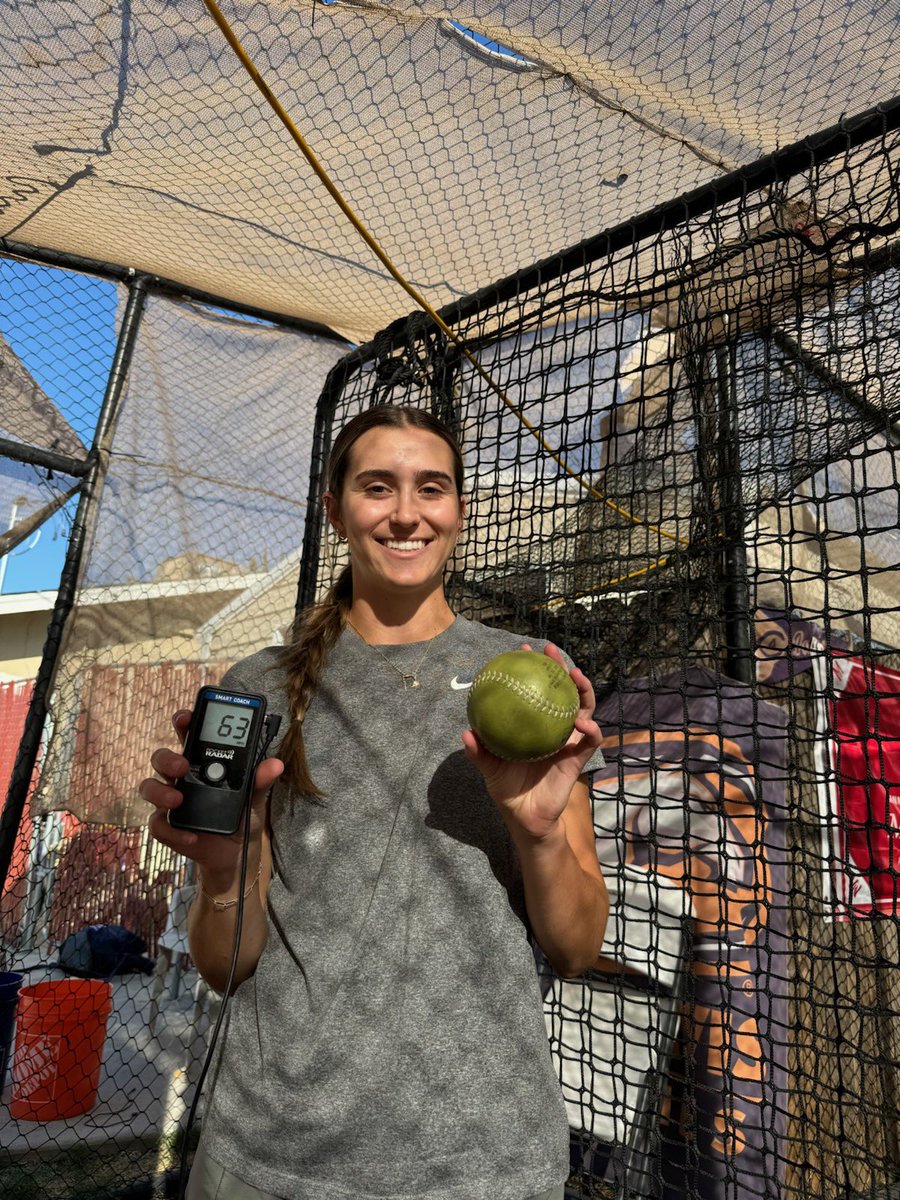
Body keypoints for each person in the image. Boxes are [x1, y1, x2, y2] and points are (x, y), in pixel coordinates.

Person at [141, 404, 609, 1200]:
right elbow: (224, 966)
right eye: (377, 487)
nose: (405, 513)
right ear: (336, 510)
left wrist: (536, 834)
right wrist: (226, 870)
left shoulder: (534, 674)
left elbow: (576, 949)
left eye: (431, 487)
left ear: (459, 509)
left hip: (485, 1156)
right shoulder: (262, 686)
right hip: (278, 1152)